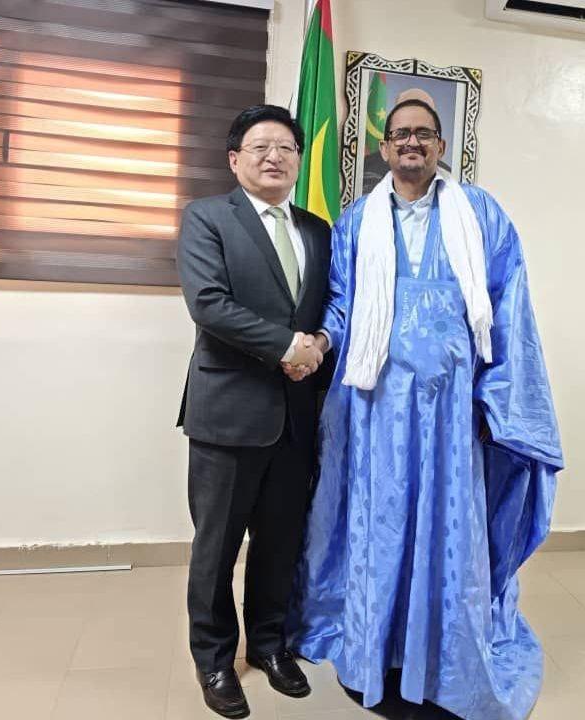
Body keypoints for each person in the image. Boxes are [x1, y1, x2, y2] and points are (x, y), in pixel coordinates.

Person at [288, 99, 563, 720]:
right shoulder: (357, 222)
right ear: (384, 148)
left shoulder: (480, 215)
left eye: (424, 133)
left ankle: (443, 653)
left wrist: (499, 398)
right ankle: (379, 649)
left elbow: (509, 307)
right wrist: (322, 341)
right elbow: (342, 303)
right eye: (400, 134)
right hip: (375, 411)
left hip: (451, 415)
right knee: (381, 525)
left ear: (441, 146)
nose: (411, 143)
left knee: (446, 526)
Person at [177, 104, 331, 719]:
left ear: (298, 160)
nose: (275, 156)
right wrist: (288, 347)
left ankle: (269, 644)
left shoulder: (318, 229)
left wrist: (318, 345)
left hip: (297, 413)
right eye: (261, 146)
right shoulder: (208, 217)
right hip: (229, 411)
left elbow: (329, 305)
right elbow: (209, 303)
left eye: (286, 147)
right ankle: (214, 658)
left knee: (280, 542)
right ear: (235, 158)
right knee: (216, 547)